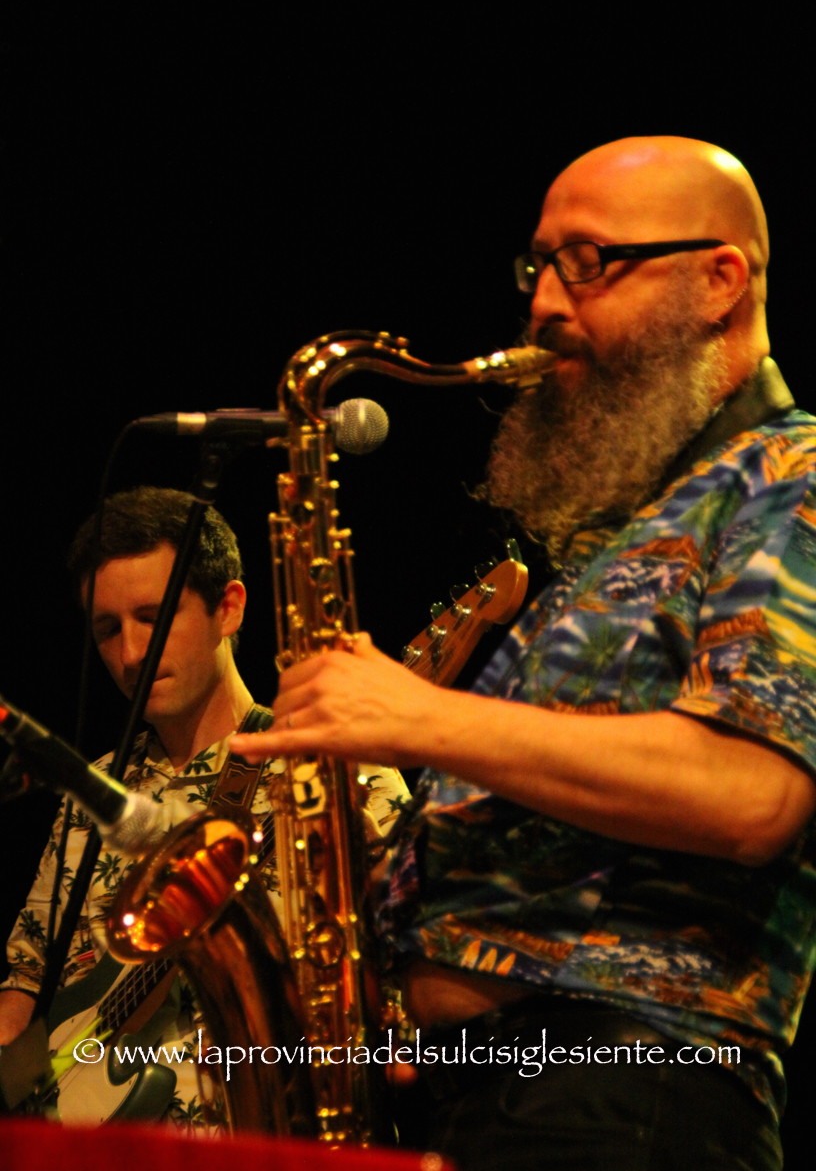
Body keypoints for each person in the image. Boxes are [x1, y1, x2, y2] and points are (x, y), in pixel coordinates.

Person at [231, 137, 816, 1169]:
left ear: (721, 280)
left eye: (588, 262)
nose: (544, 303)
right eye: (538, 266)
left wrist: (421, 717)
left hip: (629, 1094)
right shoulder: (622, 538)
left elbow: (753, 794)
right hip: (491, 1095)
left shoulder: (792, 475)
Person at [0, 486, 408, 1130]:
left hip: (274, 1137)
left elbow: (412, 981)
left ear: (229, 608)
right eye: (108, 630)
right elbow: (25, 981)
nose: (131, 654)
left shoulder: (336, 769)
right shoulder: (95, 788)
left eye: (153, 618)